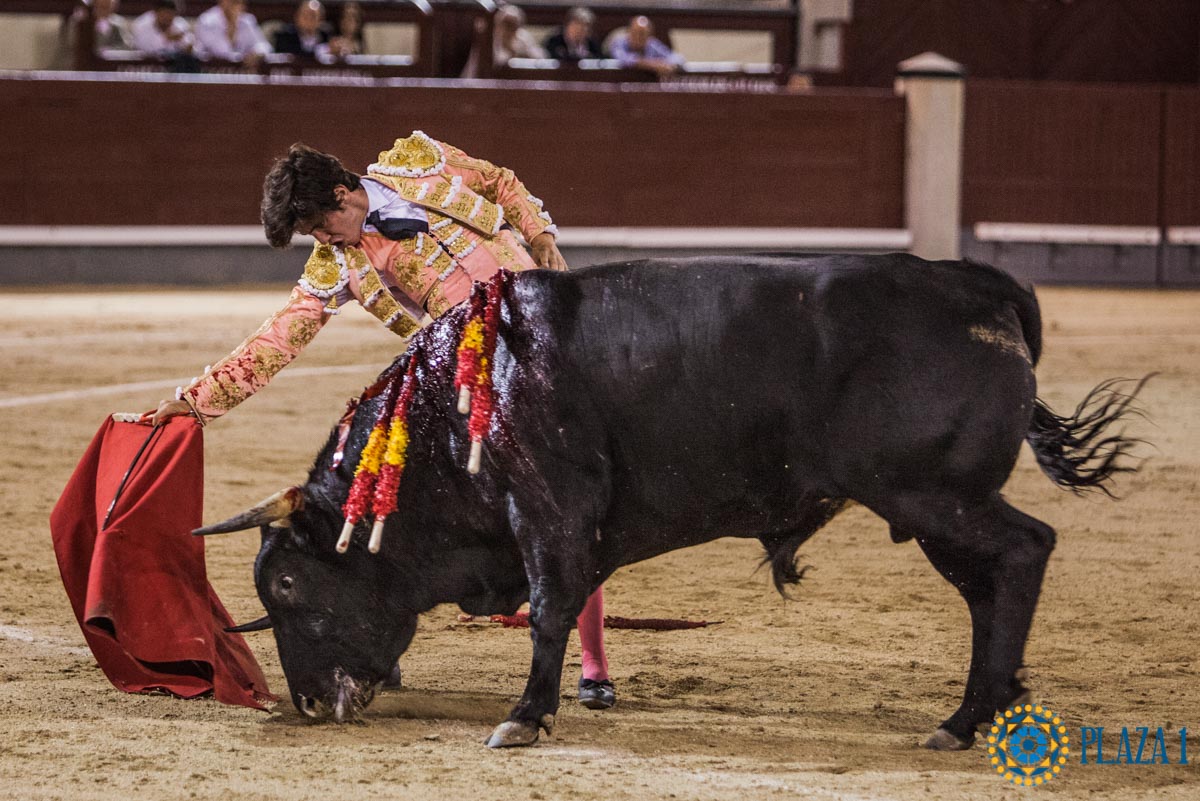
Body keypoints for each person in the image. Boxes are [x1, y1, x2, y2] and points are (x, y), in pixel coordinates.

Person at [145, 133, 615, 710]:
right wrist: (198, 400)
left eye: (322, 227)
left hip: (550, 353)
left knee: (564, 505)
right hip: (469, 380)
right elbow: (280, 337)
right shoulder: (337, 265)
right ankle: (375, 641)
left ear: (344, 195)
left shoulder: (419, 164)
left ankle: (593, 664)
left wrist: (539, 234)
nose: (323, 242)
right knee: (392, 492)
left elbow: (500, 182)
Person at [193, 0, 272, 65]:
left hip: (242, 71)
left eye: (241, 3)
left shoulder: (247, 20)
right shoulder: (207, 21)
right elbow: (220, 52)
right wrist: (232, 26)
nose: (239, 6)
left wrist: (257, 54)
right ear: (222, 1)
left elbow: (264, 45)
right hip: (213, 70)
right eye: (234, 2)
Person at [608, 15, 684, 78]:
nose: (638, 37)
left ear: (649, 35)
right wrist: (653, 65)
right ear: (629, 32)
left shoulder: (652, 44)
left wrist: (670, 65)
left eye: (642, 34)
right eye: (635, 33)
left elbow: (677, 58)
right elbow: (624, 59)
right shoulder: (618, 42)